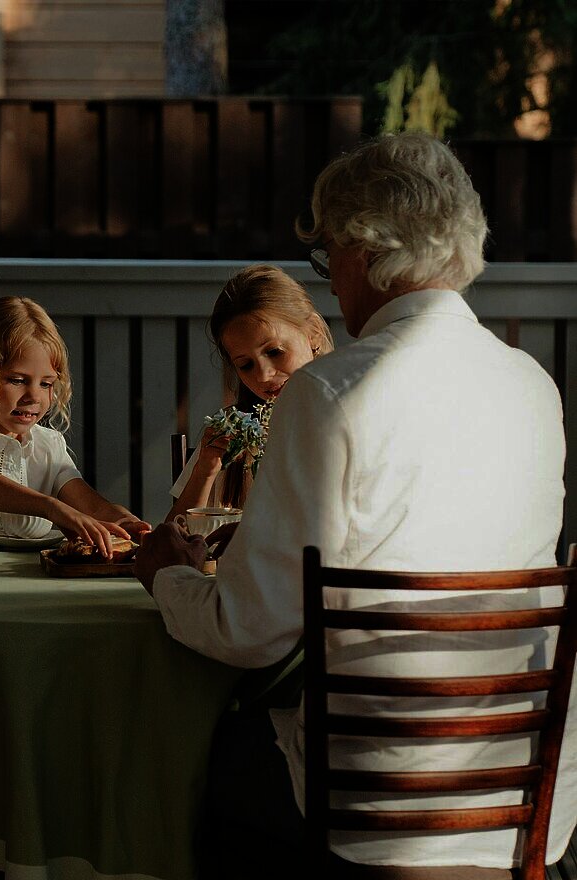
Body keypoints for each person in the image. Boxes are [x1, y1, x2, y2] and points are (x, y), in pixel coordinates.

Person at [135, 132, 575, 876]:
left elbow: (249, 630)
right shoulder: (532, 383)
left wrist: (164, 576)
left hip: (378, 801)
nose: (333, 285)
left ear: (365, 251)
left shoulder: (330, 392)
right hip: (524, 791)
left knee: (185, 777)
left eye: (329, 256)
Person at [0, 295, 150, 556]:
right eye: (17, 380)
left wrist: (125, 522)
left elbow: (92, 507)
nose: (33, 397)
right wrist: (51, 507)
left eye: (46, 384)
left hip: (21, 576)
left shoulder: (48, 445)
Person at [166, 265, 333, 521]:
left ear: (313, 334)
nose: (263, 375)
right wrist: (205, 471)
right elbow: (174, 536)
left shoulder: (346, 419)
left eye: (275, 352)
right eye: (245, 365)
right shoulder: (232, 433)